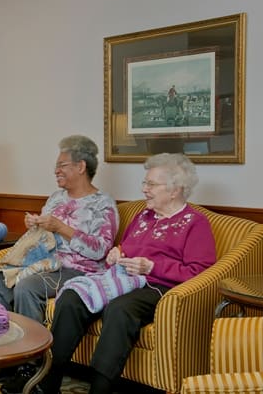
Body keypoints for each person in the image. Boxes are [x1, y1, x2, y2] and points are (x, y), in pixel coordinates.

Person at [40, 153, 216, 394]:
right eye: (145, 183)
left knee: (121, 309)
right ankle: (48, 381)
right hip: (123, 278)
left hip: (159, 287)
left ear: (175, 190)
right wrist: (117, 253)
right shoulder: (144, 216)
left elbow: (201, 272)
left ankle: (100, 388)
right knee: (72, 299)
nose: (144, 189)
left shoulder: (195, 223)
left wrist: (152, 267)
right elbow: (126, 247)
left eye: (151, 184)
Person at [0, 134, 119, 324]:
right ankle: (2, 340)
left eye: (61, 165)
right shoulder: (56, 198)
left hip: (77, 270)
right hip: (42, 262)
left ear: (81, 167)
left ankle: (31, 351)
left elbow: (100, 250)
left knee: (27, 287)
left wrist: (61, 227)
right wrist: (35, 224)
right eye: (56, 166)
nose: (56, 171)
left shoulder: (103, 204)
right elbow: (44, 234)